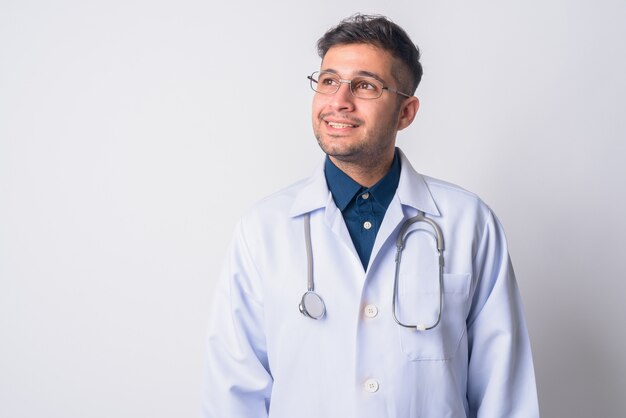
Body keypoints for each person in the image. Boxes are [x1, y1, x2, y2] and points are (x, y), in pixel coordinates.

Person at [203, 14, 539, 418]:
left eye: (365, 85)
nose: (339, 101)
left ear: (406, 112)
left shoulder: (468, 223)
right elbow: (233, 393)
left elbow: (504, 390)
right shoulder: (264, 228)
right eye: (328, 81)